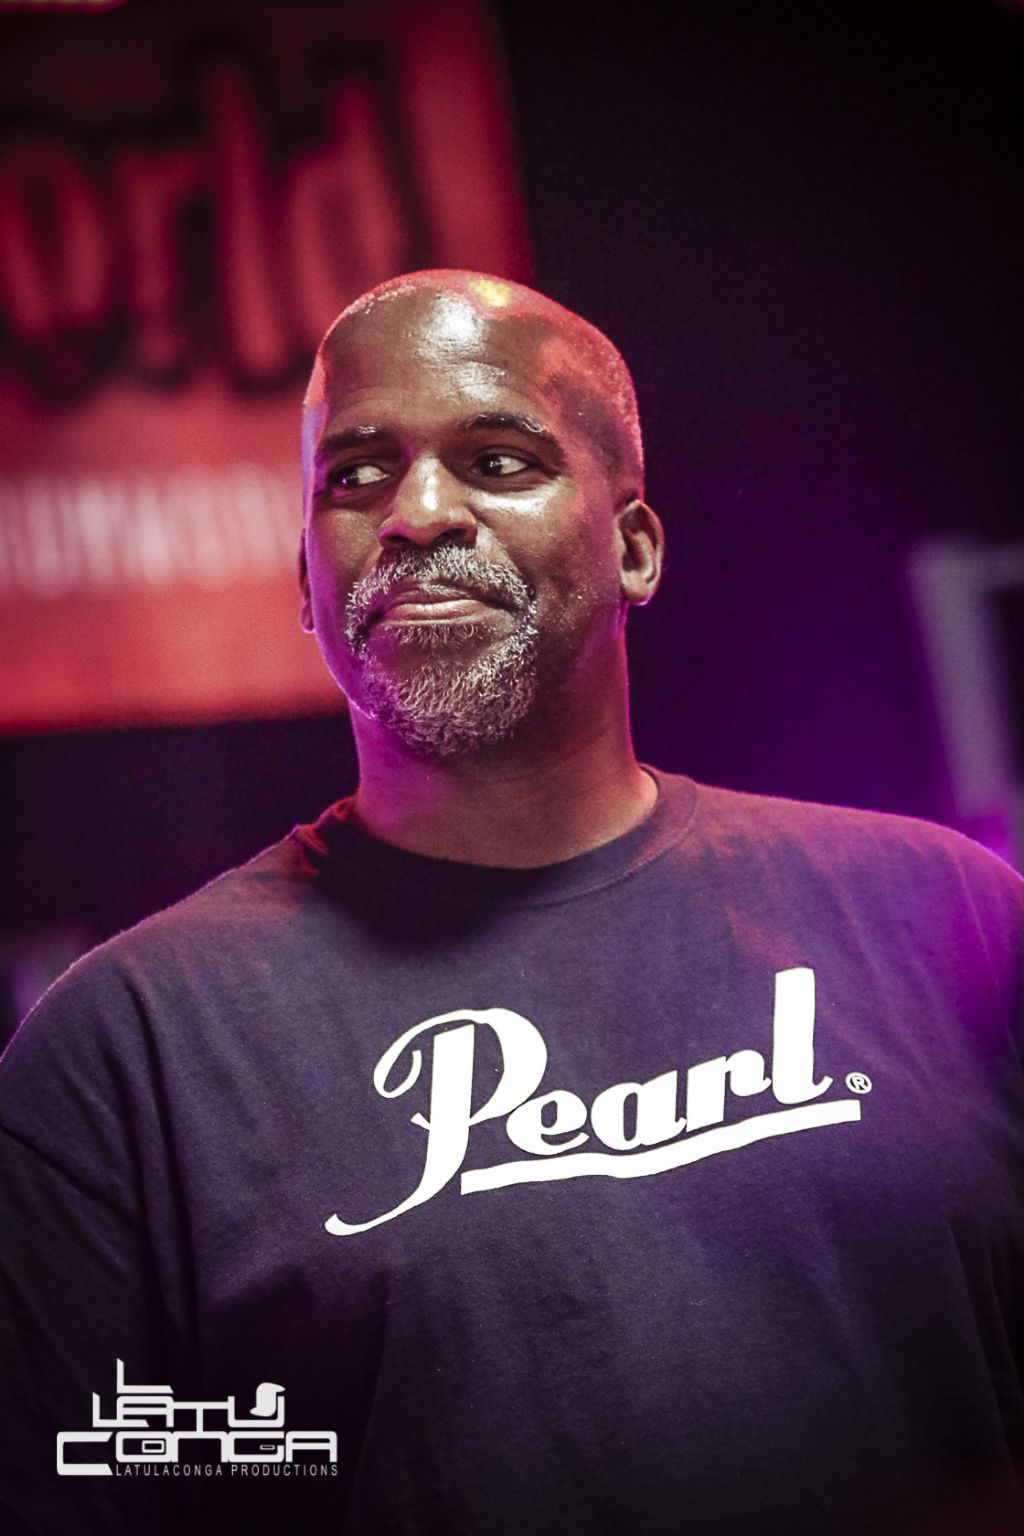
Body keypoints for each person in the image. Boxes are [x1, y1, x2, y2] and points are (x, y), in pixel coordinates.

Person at [1, 270, 1022, 1536]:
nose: (418, 514)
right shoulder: (124, 1056)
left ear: (633, 546)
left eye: (495, 461)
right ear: (304, 580)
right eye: (355, 476)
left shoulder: (949, 918)